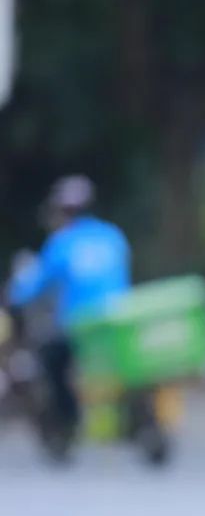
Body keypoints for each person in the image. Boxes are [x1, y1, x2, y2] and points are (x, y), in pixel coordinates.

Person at [7, 175, 131, 443]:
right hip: (118, 320)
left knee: (52, 362)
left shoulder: (62, 243)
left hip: (81, 325)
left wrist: (14, 295)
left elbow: (35, 284)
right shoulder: (113, 235)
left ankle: (68, 421)